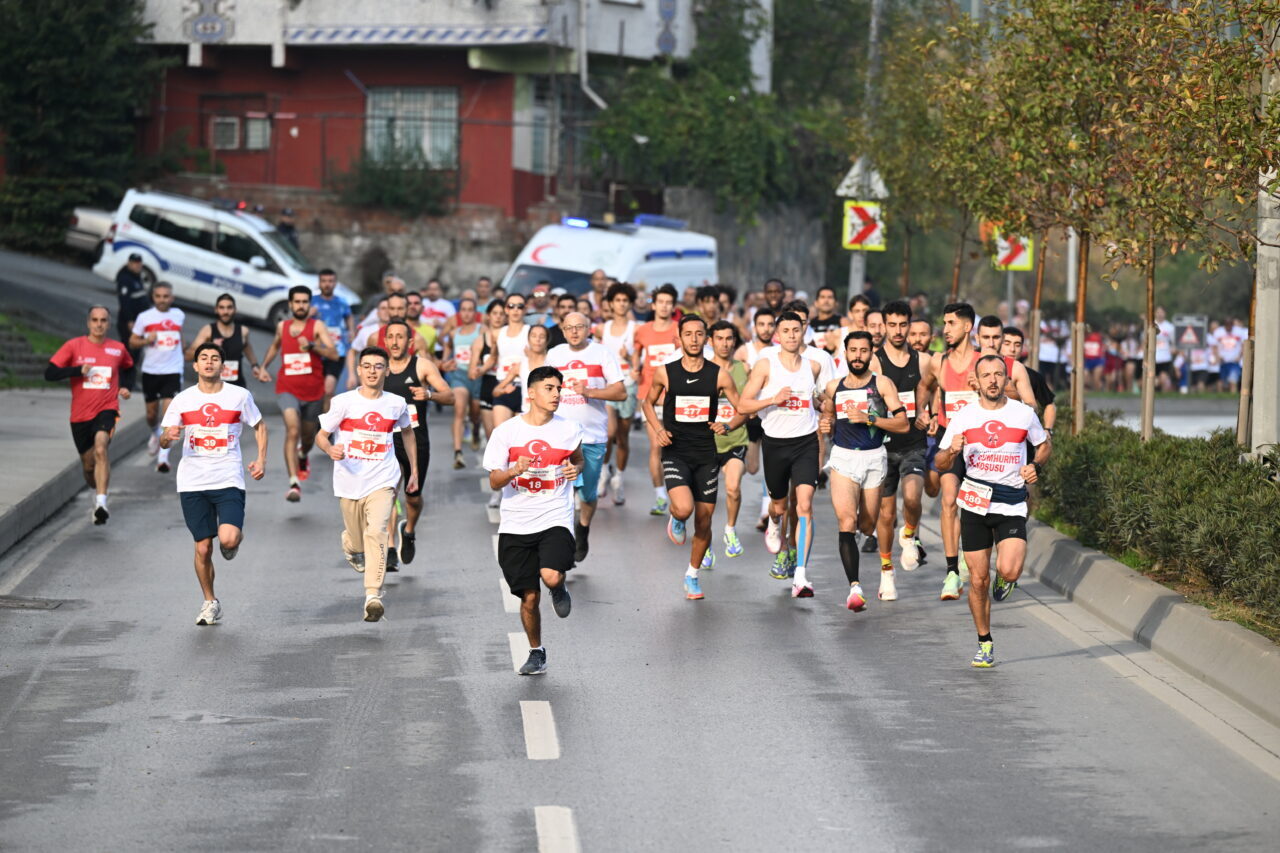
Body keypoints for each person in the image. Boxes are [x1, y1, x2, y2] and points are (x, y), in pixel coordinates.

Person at [936, 355, 1050, 667]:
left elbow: (1044, 444)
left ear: (1006, 379)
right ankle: (984, 642)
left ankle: (1007, 579)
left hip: (1011, 501)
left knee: (1010, 569)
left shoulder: (1023, 414)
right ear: (976, 380)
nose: (993, 380)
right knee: (977, 580)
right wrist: (951, 451)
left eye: (998, 374)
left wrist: (1035, 465)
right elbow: (940, 463)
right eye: (986, 375)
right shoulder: (963, 417)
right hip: (974, 501)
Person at [159, 343, 267, 626]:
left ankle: (232, 543)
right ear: (195, 366)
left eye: (214, 358)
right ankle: (210, 601)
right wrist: (168, 437)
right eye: (203, 358)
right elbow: (164, 438)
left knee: (229, 538)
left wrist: (261, 459)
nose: (209, 362)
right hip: (192, 481)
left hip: (228, 477)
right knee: (203, 548)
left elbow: (260, 425)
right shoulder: (182, 400)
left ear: (223, 366)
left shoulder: (239, 396)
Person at [484, 365, 583, 675]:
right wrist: (514, 470)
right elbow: (494, 482)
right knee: (528, 597)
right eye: (549, 388)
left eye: (558, 388)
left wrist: (575, 469)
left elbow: (578, 458)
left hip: (554, 515)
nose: (556, 394)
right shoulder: (507, 432)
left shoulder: (568, 429)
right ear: (531, 393)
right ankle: (536, 651)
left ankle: (559, 587)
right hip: (516, 523)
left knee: (551, 575)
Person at [641, 315, 742, 599]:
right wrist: (658, 429)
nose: (694, 339)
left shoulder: (719, 375)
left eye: (699, 334)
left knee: (705, 521)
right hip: (676, 451)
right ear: (680, 338)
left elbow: (742, 408)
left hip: (707, 454)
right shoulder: (666, 372)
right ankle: (675, 517)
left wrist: (729, 425)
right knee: (684, 509)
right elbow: (647, 402)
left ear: (706, 339)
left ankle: (692, 575)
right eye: (689, 334)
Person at [315, 345, 417, 622]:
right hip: (349, 481)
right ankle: (350, 543)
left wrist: (413, 471)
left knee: (378, 532)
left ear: (387, 370)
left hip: (383, 478)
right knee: (359, 539)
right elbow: (321, 436)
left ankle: (373, 594)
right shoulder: (343, 402)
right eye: (367, 366)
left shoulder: (396, 403)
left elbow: (408, 433)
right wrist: (330, 450)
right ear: (359, 370)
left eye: (378, 366)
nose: (373, 371)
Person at [737, 311, 828, 598]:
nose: (791, 335)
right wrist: (772, 400)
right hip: (775, 444)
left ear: (804, 332)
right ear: (778, 334)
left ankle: (800, 576)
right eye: (785, 330)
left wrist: (824, 407)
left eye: (796, 330)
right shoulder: (766, 364)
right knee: (779, 506)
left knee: (804, 506)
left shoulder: (812, 366)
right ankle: (774, 524)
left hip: (805, 444)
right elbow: (743, 404)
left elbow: (815, 399)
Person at [819, 331, 909, 610]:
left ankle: (880, 562)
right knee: (846, 522)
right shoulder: (834, 387)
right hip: (844, 458)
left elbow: (903, 423)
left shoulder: (881, 384)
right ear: (844, 354)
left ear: (871, 354)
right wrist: (826, 426)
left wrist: (870, 418)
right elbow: (828, 418)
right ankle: (855, 589)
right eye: (853, 350)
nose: (858, 356)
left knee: (867, 525)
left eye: (863, 351)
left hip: (874, 458)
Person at [545, 312, 627, 562]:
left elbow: (621, 393)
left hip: (592, 437)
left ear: (588, 328)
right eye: (568, 327)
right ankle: (563, 541)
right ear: (562, 328)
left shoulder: (602, 353)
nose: (574, 332)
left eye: (579, 327)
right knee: (561, 492)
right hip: (559, 435)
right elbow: (544, 388)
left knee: (588, 495)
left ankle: (583, 528)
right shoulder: (555, 354)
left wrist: (589, 391)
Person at [45, 306, 134, 524]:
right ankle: (96, 488)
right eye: (95, 320)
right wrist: (77, 370)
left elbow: (130, 368)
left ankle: (101, 503)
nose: (99, 324)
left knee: (101, 448)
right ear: (88, 322)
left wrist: (124, 387)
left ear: (109, 323)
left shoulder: (117, 348)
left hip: (107, 408)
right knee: (88, 466)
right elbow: (50, 373)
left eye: (103, 320)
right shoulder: (74, 346)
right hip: (80, 415)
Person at [916, 302, 981, 601]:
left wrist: (981, 387)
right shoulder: (937, 361)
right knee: (949, 500)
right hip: (947, 437)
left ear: (967, 327)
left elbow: (1010, 393)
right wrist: (925, 412)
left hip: (979, 442)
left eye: (952, 323)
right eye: (944, 323)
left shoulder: (984, 361)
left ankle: (971, 557)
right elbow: (924, 386)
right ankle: (952, 572)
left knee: (975, 507)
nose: (946, 329)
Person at [256, 285, 339, 501]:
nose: (301, 305)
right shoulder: (282, 326)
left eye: (305, 302)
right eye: (297, 302)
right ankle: (294, 483)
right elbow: (275, 346)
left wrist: (312, 346)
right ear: (290, 304)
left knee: (308, 437)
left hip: (313, 391)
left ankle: (303, 455)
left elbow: (333, 353)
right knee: (292, 430)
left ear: (309, 305)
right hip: (287, 388)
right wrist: (264, 366)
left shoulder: (317, 326)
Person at [383, 320, 454, 569]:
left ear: (410, 342)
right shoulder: (380, 369)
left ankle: (409, 530)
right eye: (390, 337)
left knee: (413, 497)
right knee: (388, 493)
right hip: (387, 441)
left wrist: (429, 394)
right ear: (384, 341)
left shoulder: (422, 366)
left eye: (400, 337)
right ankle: (390, 546)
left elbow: (451, 396)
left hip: (416, 441)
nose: (394, 342)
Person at [870, 300, 932, 575]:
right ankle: (886, 571)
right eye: (892, 325)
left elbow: (934, 390)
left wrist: (928, 413)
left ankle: (909, 534)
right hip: (882, 446)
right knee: (885, 515)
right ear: (884, 326)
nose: (897, 331)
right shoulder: (874, 360)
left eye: (903, 325)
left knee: (912, 498)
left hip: (913, 443)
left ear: (910, 325)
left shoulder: (925, 360)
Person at [633, 284, 682, 515]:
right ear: (653, 305)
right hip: (650, 398)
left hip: (676, 399)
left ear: (673, 306)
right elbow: (636, 353)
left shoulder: (679, 329)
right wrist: (635, 369)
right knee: (656, 446)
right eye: (660, 301)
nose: (664, 306)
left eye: (668, 302)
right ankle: (661, 496)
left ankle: (678, 492)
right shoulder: (642, 330)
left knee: (677, 448)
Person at [129, 281, 186, 474]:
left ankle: (163, 458)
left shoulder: (178, 315)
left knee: (169, 414)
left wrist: (184, 351)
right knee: (151, 415)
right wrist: (146, 340)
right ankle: (155, 434)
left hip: (173, 370)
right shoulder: (144, 317)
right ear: (153, 297)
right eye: (158, 296)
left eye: (166, 296)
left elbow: (179, 336)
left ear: (172, 297)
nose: (162, 300)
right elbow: (132, 341)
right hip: (151, 371)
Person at [708, 320, 750, 559]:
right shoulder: (703, 369)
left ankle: (730, 530)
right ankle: (705, 539)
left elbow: (750, 404)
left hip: (736, 439)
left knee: (733, 487)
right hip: (707, 443)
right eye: (719, 339)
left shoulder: (744, 369)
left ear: (735, 341)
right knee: (706, 498)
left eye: (729, 339)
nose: (725, 344)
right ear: (710, 341)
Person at [595, 282, 638, 505]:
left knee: (622, 438)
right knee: (608, 433)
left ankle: (618, 479)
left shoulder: (635, 328)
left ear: (629, 303)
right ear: (610, 304)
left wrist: (629, 358)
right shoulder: (602, 329)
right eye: (617, 300)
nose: (621, 304)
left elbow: (640, 362)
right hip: (608, 386)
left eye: (624, 301)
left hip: (628, 386)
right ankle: (603, 473)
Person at [469, 299, 509, 506]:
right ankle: (498, 488)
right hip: (487, 387)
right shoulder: (481, 339)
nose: (499, 317)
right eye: (495, 313)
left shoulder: (512, 337)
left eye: (502, 313)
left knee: (509, 438)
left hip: (508, 387)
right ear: (489, 316)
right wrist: (480, 368)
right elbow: (472, 370)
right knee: (493, 437)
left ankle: (510, 485)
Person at [184, 293, 261, 389]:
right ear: (216, 310)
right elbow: (188, 356)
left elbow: (247, 347)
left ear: (235, 310)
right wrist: (209, 346)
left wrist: (254, 365)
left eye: (229, 308)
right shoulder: (208, 331)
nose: (225, 311)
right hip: (212, 386)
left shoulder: (243, 331)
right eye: (222, 308)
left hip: (236, 385)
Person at [441, 297, 484, 466]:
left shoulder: (482, 330)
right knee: (459, 411)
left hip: (477, 377)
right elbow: (448, 347)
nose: (466, 313)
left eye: (470, 310)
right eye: (464, 310)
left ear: (475, 312)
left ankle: (474, 429)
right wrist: (445, 362)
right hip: (459, 376)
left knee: (475, 413)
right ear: (460, 313)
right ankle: (458, 454)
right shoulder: (454, 332)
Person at [308, 269, 354, 410]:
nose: (327, 284)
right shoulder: (312, 301)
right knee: (315, 390)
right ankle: (312, 419)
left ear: (335, 283)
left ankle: (325, 426)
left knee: (329, 389)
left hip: (337, 351)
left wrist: (351, 329)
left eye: (330, 281)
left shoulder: (341, 302)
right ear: (319, 283)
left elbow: (349, 316)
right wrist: (308, 315)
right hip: (317, 351)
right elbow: (298, 323)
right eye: (324, 281)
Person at [1001, 327, 1057, 436]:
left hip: (1023, 434)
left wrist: (1047, 430)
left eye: (1017, 345)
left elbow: (1049, 404)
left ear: (1022, 348)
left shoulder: (1033, 376)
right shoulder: (983, 368)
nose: (1012, 349)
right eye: (1007, 343)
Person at [114, 253, 149, 387]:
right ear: (129, 263)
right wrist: (129, 321)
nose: (137, 265)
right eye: (135, 263)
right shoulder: (125, 279)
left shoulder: (137, 278)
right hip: (129, 323)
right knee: (129, 352)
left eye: (139, 263)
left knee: (135, 353)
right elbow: (124, 302)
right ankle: (123, 382)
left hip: (138, 323)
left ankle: (130, 382)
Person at [1214, 317, 1248, 393]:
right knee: (1222, 382)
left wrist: (1239, 357)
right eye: (1227, 324)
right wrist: (1217, 357)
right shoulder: (1219, 332)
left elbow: (1243, 345)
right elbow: (1215, 347)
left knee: (1233, 381)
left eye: (1230, 324)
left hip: (1234, 361)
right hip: (1223, 361)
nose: (1228, 326)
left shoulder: (1239, 332)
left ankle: (1232, 397)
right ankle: (1220, 398)